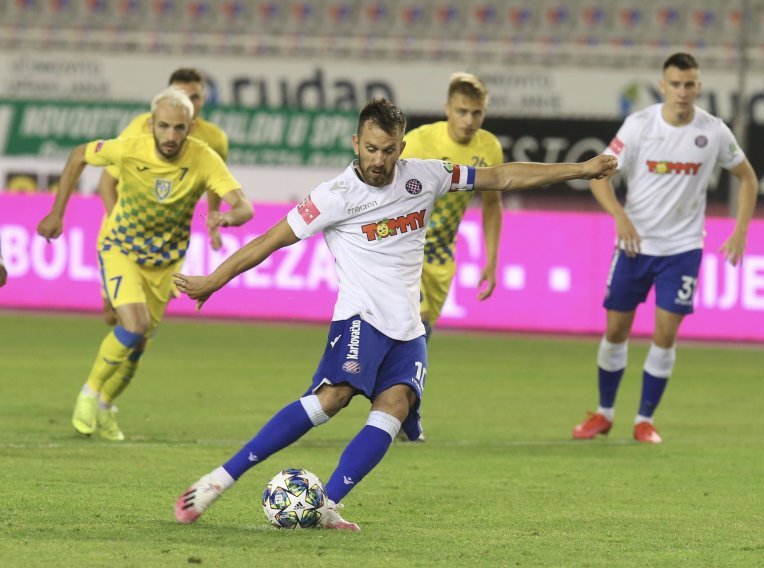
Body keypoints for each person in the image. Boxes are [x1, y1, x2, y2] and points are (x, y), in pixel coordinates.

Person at [172, 97, 617, 530]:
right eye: (370, 149)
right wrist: (214, 280)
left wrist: (581, 169)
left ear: (402, 147)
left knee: (396, 406)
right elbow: (268, 241)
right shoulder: (334, 196)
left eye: (388, 150)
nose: (379, 160)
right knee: (335, 397)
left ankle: (326, 504)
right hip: (360, 317)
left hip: (407, 325)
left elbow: (501, 177)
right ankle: (218, 480)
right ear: (355, 143)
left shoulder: (427, 175)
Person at [37, 87, 253, 442]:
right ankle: (88, 394)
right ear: (152, 124)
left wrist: (226, 219)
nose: (170, 136)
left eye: (179, 128)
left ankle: (106, 406)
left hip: (165, 264)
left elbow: (244, 206)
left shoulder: (204, 157)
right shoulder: (130, 146)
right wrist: (56, 213)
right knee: (133, 324)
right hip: (120, 246)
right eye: (164, 126)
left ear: (190, 127)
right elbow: (78, 155)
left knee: (138, 346)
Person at [571, 53, 758, 444]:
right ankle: (604, 413)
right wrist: (619, 216)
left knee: (665, 335)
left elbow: (747, 178)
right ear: (663, 86)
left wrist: (740, 230)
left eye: (690, 84)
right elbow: (598, 175)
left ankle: (644, 420)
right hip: (635, 246)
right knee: (616, 330)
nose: (683, 91)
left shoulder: (715, 132)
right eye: (676, 84)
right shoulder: (640, 126)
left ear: (699, 86)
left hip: (683, 248)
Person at [398, 72, 503, 442]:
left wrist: (491, 259)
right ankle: (403, 414)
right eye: (462, 111)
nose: (469, 120)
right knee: (413, 328)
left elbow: (493, 205)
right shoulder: (419, 141)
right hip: (404, 248)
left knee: (421, 337)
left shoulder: (489, 148)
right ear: (447, 109)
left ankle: (404, 409)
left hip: (442, 255)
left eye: (476, 113)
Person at [99, 67, 229, 328]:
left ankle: (129, 352)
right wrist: (119, 223)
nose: (190, 103)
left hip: (168, 240)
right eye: (183, 96)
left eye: (196, 97)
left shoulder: (214, 139)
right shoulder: (140, 129)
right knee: (112, 315)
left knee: (145, 321)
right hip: (124, 234)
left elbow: (215, 185)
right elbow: (107, 181)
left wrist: (213, 221)